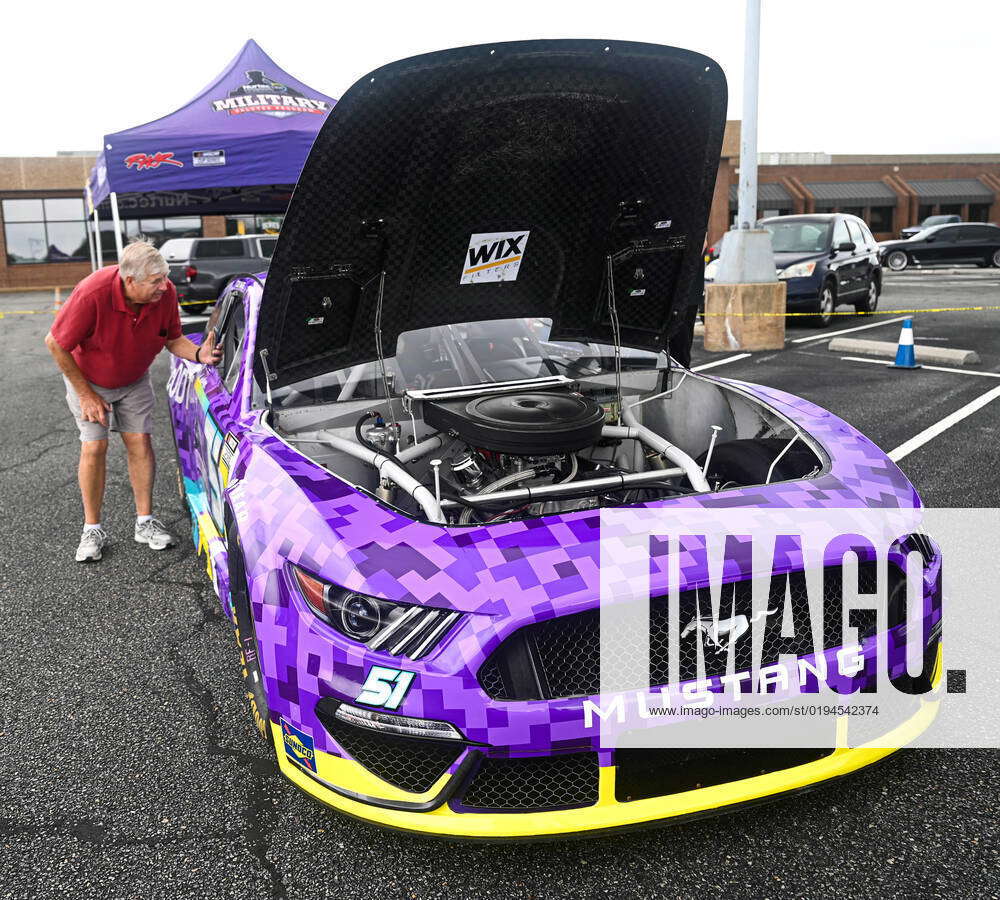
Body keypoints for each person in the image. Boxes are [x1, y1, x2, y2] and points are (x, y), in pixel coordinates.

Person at [45, 239, 223, 563]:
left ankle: (145, 522)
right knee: (94, 447)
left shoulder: (164, 294)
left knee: (140, 442)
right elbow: (55, 343)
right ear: (130, 281)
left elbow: (172, 338)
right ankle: (92, 529)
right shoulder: (92, 293)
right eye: (156, 281)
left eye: (165, 278)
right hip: (89, 381)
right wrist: (86, 394)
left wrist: (199, 354)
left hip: (134, 380)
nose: (164, 286)